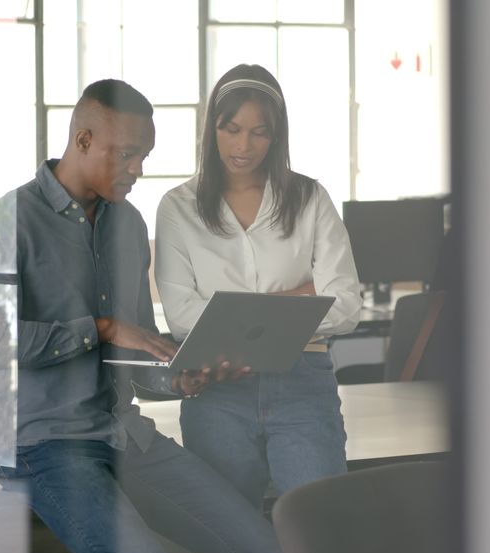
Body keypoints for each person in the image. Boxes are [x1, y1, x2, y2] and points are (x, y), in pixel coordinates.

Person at [0, 79, 284, 553]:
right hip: (44, 445)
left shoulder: (129, 223)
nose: (138, 170)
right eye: (128, 155)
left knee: (268, 552)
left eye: (144, 157)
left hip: (126, 436)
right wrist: (102, 328)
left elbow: (136, 355)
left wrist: (177, 377)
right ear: (83, 140)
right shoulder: (5, 222)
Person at [154, 63, 363, 509]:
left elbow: (346, 307)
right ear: (211, 128)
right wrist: (302, 296)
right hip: (218, 390)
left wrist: (232, 312)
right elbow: (182, 318)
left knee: (321, 522)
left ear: (276, 135)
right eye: (231, 129)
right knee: (229, 532)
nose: (243, 146)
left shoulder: (311, 199)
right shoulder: (178, 207)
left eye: (259, 132)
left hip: (302, 381)